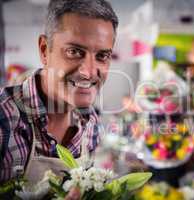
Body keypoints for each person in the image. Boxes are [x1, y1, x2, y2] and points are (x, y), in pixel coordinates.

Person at [0, 0, 118, 199]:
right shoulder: (4, 120)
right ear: (45, 50)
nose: (89, 72)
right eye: (74, 52)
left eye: (102, 55)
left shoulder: (91, 124)